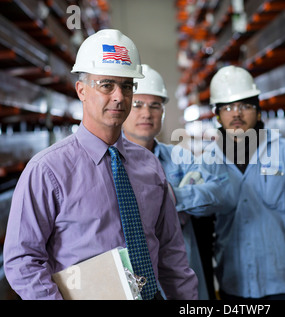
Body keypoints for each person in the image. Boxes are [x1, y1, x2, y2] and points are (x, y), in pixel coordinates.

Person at [3, 29, 197, 300]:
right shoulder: (47, 171)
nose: (119, 96)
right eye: (106, 85)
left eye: (127, 86)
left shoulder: (149, 165)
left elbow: (171, 252)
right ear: (82, 90)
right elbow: (23, 260)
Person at [122, 64, 230, 299]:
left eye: (155, 105)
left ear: (162, 112)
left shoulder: (179, 157)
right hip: (131, 281)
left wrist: (172, 197)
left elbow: (220, 192)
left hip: (182, 280)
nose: (146, 113)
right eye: (138, 104)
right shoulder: (109, 163)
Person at [201, 65, 285, 299]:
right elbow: (206, 229)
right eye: (227, 107)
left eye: (245, 106)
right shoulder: (208, 161)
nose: (236, 114)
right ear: (217, 115)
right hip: (233, 284)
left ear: (259, 111)